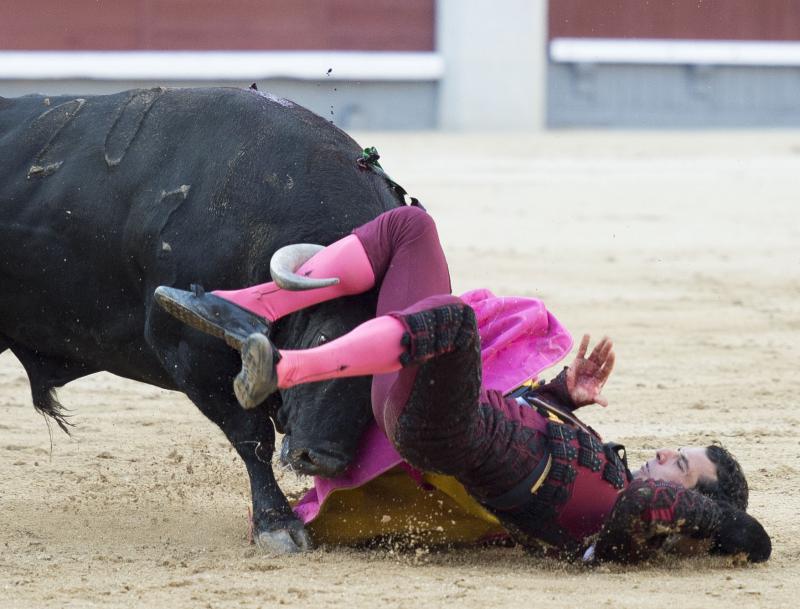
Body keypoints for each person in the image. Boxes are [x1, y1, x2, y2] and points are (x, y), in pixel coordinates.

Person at [155, 206, 771, 563]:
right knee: (411, 228)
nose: (667, 454)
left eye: (683, 467)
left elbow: (651, 507)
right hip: (434, 411)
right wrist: (563, 396)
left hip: (445, 431)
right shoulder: (607, 478)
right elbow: (531, 424)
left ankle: (284, 367)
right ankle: (248, 308)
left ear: (689, 513)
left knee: (452, 321)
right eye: (681, 452)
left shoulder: (620, 520)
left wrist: (736, 530)